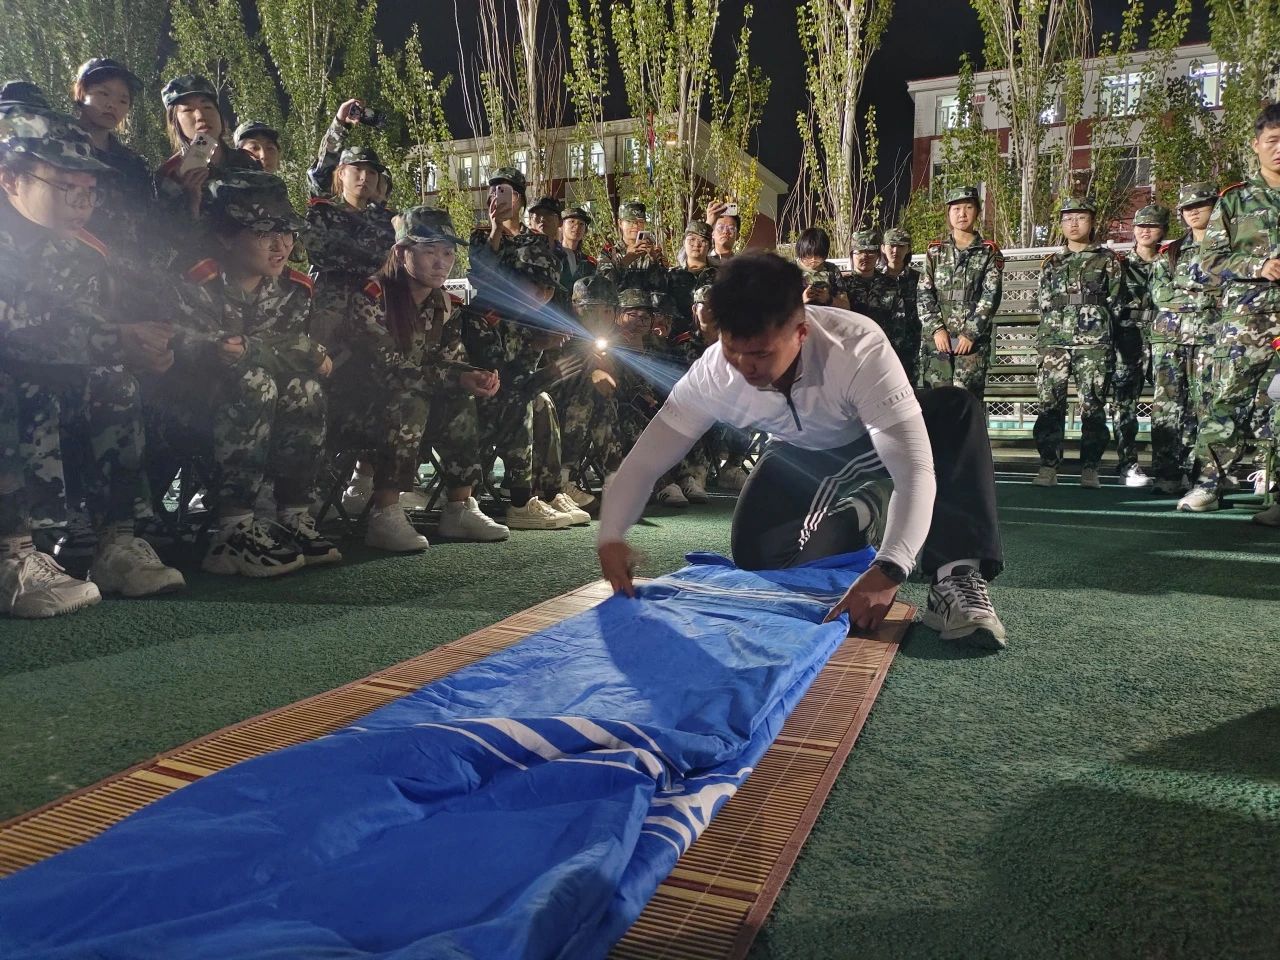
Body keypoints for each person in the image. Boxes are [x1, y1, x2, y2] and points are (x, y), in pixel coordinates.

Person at [597, 252, 1006, 649]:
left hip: (871, 434)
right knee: (758, 554)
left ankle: (956, 574)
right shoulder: (714, 373)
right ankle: (866, 511)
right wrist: (611, 534)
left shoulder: (856, 346)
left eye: (761, 353)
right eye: (732, 348)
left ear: (801, 333)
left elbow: (913, 469)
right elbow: (646, 461)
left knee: (956, 409)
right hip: (799, 449)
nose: (745, 367)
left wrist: (891, 568)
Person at [0, 106, 185, 615]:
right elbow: (16, 334)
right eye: (66, 188)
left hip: (44, 384)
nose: (82, 203)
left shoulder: (78, 253)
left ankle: (116, 544)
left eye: (90, 191)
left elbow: (83, 327)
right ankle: (11, 557)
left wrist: (147, 347)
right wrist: (113, 340)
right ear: (11, 179)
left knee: (113, 382)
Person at [156, 171, 336, 576]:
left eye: (286, 232)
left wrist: (277, 351)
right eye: (263, 233)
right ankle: (232, 530)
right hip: (190, 409)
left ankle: (293, 515)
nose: (281, 245)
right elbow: (206, 350)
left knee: (304, 387)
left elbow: (293, 357)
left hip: (261, 409)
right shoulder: (196, 281)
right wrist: (293, 351)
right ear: (226, 236)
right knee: (256, 380)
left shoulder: (294, 290)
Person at [329, 206, 511, 547]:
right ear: (402, 253)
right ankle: (385, 513)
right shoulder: (373, 297)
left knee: (462, 396)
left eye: (448, 253)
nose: (441, 263)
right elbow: (387, 371)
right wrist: (455, 378)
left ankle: (459, 507)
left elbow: (451, 362)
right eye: (430, 252)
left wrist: (475, 376)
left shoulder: (445, 304)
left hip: (414, 399)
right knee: (407, 397)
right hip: (357, 408)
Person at [1180, 103, 1280, 521]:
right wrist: (1258, 266)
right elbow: (1210, 259)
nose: (1279, 149)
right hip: (1247, 321)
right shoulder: (1235, 200)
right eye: (1273, 141)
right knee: (1229, 400)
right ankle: (1210, 482)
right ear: (1256, 145)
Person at [1033, 197, 1125, 489]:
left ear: (1092, 222)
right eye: (1068, 218)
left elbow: (1117, 302)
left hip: (1093, 343)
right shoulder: (1052, 262)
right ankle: (1048, 466)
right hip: (1055, 342)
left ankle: (1090, 467)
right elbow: (1043, 302)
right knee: (1050, 403)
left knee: (1093, 406)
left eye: (1081, 217)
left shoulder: (1107, 259)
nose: (1073, 223)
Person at [1148, 183, 1221, 496]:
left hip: (1213, 339)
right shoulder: (1171, 253)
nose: (1193, 212)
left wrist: (1187, 294)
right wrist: (1204, 295)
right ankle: (1167, 474)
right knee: (1167, 407)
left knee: (1209, 406)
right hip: (1170, 340)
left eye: (1200, 205)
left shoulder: (1229, 250)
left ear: (1215, 208)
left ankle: (1205, 475)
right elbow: (1161, 295)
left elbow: (1231, 293)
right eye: (1187, 208)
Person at [304, 143, 395, 347]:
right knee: (323, 360)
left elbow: (396, 264)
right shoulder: (323, 212)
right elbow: (317, 254)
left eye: (371, 172)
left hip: (374, 309)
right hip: (329, 307)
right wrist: (369, 261)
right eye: (357, 169)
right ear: (341, 173)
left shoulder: (388, 220)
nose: (364, 177)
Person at [918, 185, 1003, 397]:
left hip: (971, 344)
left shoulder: (988, 252)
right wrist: (936, 329)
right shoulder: (935, 251)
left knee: (967, 403)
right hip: (938, 343)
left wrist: (970, 333)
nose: (962, 214)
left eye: (968, 208)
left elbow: (990, 296)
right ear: (948, 213)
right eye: (956, 209)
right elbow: (924, 293)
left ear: (977, 212)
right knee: (937, 402)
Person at [69, 58, 152, 260]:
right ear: (81, 93)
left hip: (127, 269)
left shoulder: (133, 165)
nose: (112, 105)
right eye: (103, 93)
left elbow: (148, 225)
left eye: (123, 100)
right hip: (68, 267)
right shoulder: (57, 150)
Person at [154, 74, 260, 225]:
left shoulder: (246, 162)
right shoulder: (169, 175)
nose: (200, 116)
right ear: (174, 121)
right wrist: (191, 201)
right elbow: (167, 234)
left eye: (207, 107)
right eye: (188, 110)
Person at [1113, 203, 1168, 487]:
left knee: (1168, 406)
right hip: (1129, 338)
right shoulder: (1120, 265)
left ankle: (1168, 466)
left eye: (1152, 226)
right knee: (1125, 405)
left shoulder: (1171, 263)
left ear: (1163, 230)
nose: (1145, 231)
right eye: (1140, 226)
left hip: (1162, 338)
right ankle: (1128, 465)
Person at [598, 199, 668, 298]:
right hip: (619, 306)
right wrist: (625, 261)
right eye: (629, 221)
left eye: (640, 221)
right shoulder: (609, 253)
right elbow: (604, 287)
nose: (635, 225)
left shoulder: (652, 252)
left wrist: (654, 260)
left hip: (648, 306)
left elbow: (664, 287)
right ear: (620, 223)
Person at [880, 226, 922, 385]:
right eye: (891, 246)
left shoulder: (918, 279)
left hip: (910, 350)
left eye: (901, 246)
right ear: (883, 248)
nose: (895, 251)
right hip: (882, 349)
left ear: (908, 249)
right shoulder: (876, 279)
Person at [667, 220, 718, 342]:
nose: (696, 244)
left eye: (703, 241)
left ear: (710, 246)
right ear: (684, 242)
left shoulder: (720, 276)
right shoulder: (670, 276)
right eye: (691, 239)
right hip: (677, 344)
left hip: (711, 343)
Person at [794, 227, 850, 310]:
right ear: (800, 252)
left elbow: (846, 306)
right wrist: (802, 301)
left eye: (818, 256)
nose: (813, 260)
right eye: (808, 255)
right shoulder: (788, 270)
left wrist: (829, 300)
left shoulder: (832, 270)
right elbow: (777, 307)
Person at [558, 205, 596, 289]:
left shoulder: (589, 263)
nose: (577, 226)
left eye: (581, 224)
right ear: (561, 226)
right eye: (572, 221)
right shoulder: (554, 256)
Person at [704, 198, 740, 263]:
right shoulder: (702, 260)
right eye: (721, 227)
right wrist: (708, 224)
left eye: (731, 228)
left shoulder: (742, 264)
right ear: (712, 233)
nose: (725, 232)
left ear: (737, 236)